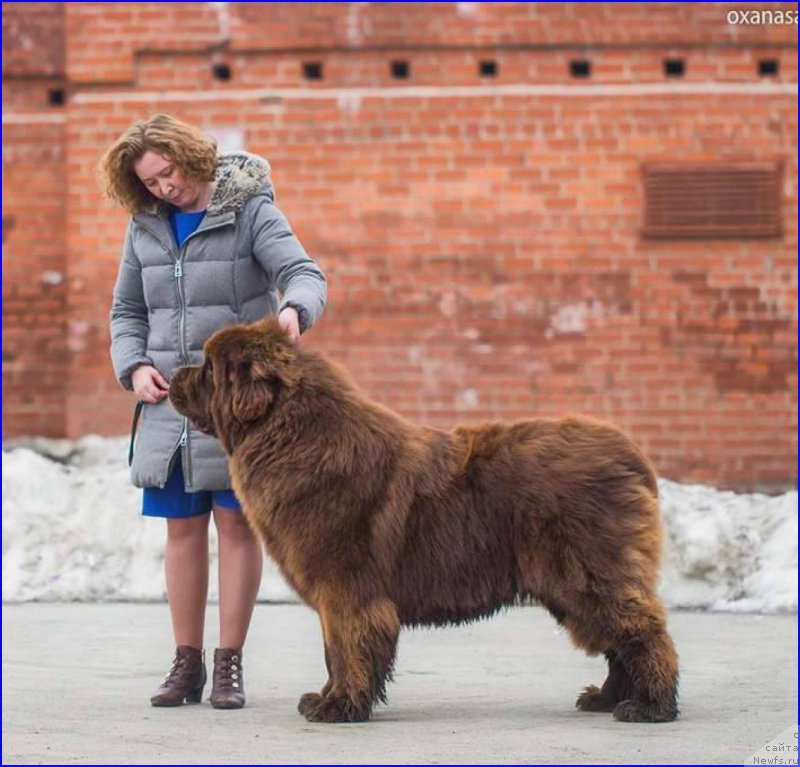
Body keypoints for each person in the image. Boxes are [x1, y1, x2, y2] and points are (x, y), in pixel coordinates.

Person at [99, 113, 326, 709]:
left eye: (167, 173)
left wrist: (295, 311)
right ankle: (186, 664)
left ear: (190, 156)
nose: (163, 188)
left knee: (236, 526)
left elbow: (302, 272)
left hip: (238, 406)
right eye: (150, 182)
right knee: (181, 529)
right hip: (169, 405)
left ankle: (229, 665)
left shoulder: (248, 209)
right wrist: (134, 367)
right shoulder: (144, 226)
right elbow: (126, 311)